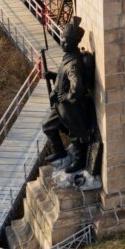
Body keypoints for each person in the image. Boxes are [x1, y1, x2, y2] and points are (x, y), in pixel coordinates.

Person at [42, 17, 96, 174]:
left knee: (75, 134)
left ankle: (79, 161)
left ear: (73, 43)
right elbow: (63, 77)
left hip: (69, 106)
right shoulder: (68, 57)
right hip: (60, 105)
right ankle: (60, 151)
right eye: (62, 40)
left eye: (65, 41)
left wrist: (68, 96)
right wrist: (52, 75)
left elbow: (76, 85)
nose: (63, 43)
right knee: (48, 126)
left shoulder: (73, 64)